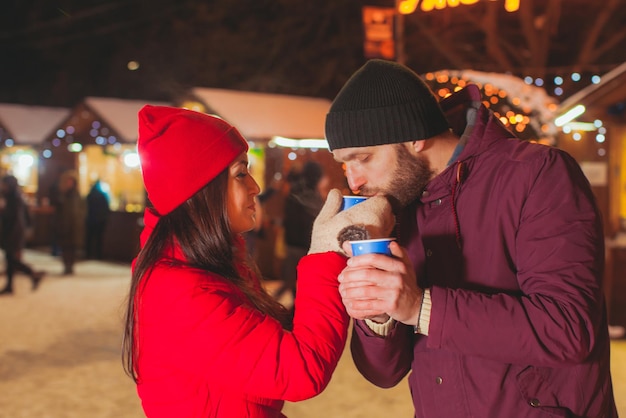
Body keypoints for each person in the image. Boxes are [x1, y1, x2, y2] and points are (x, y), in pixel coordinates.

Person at [326, 59, 618, 417]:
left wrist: (420, 306)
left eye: (363, 158)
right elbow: (384, 374)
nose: (354, 181)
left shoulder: (537, 173)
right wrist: (377, 313)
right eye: (345, 164)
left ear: (414, 135)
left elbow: (568, 330)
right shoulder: (398, 208)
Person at [121, 105, 394, 417]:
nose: (255, 187)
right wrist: (324, 253)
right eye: (241, 173)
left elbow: (269, 348)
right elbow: (299, 370)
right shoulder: (179, 291)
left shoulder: (205, 269)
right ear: (201, 191)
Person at [278, 161, 327, 302]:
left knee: (292, 278)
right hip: (305, 244)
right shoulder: (311, 195)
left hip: (292, 241)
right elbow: (315, 221)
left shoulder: (295, 191)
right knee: (302, 279)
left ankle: (293, 305)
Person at [0, 175, 44, 295]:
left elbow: (13, 216)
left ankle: (33, 274)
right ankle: (10, 285)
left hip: (13, 232)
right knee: (9, 260)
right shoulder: (12, 197)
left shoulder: (14, 198)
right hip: (12, 232)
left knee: (12, 260)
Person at [56, 170, 85, 275]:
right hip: (64, 225)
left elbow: (81, 210)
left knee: (72, 248)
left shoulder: (76, 195)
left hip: (74, 226)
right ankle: (66, 266)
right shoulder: (62, 195)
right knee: (65, 248)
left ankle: (70, 266)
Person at [84, 180, 111, 260]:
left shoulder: (89, 195)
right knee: (99, 239)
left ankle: (88, 254)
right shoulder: (103, 196)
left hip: (91, 219)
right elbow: (106, 208)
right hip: (100, 220)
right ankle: (98, 255)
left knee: (89, 238)